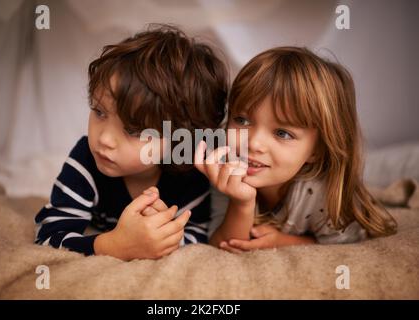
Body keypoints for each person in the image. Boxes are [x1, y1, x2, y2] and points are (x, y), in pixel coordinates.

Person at [34, 24, 228, 260]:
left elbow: (198, 234)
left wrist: (168, 239)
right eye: (99, 112)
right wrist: (112, 245)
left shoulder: (189, 175)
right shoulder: (86, 160)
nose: (104, 138)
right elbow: (47, 237)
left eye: (133, 130)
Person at [195, 47, 397, 252]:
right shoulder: (225, 166)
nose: (254, 143)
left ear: (317, 150)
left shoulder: (321, 194)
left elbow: (345, 243)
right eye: (242, 120)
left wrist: (284, 241)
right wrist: (241, 203)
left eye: (282, 133)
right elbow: (222, 245)